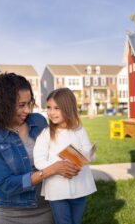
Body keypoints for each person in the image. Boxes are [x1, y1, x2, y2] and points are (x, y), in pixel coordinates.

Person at [0, 73, 80, 224]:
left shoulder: (38, 121)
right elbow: (7, 184)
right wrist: (50, 170)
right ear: (3, 104)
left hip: (45, 208)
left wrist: (75, 157)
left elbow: (58, 146)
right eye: (21, 105)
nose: (27, 110)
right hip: (8, 214)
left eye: (29, 103)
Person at [33, 88, 97, 224]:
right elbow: (39, 161)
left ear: (68, 108)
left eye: (57, 108)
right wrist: (57, 167)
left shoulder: (79, 130)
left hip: (80, 186)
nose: (51, 112)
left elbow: (88, 151)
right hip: (57, 189)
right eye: (49, 108)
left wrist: (86, 156)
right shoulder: (46, 134)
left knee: (76, 221)